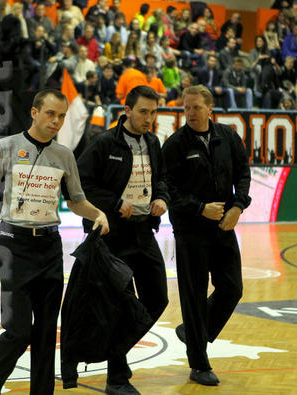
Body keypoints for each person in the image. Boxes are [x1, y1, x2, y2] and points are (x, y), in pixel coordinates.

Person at [0, 89, 110, 395]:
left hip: (49, 247)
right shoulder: (6, 147)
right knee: (19, 330)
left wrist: (98, 213)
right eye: (50, 114)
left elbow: (76, 201)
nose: (56, 121)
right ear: (34, 113)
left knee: (47, 333)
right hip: (13, 246)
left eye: (61, 116)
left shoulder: (64, 155)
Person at [76, 85, 169, 395]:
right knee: (120, 305)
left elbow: (162, 179)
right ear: (127, 110)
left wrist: (162, 197)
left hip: (145, 231)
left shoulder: (153, 142)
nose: (149, 118)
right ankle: (117, 378)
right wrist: (114, 203)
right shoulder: (104, 143)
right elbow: (81, 184)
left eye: (153, 112)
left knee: (158, 299)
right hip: (113, 235)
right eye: (143, 112)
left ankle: (113, 351)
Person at [161, 84, 250, 387]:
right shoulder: (175, 144)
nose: (190, 113)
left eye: (196, 107)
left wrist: (238, 206)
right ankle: (199, 364)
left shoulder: (228, 136)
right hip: (190, 231)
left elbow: (243, 173)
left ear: (210, 109)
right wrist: (200, 208)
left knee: (232, 289)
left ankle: (193, 332)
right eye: (186, 107)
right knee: (194, 297)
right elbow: (168, 188)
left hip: (223, 226)